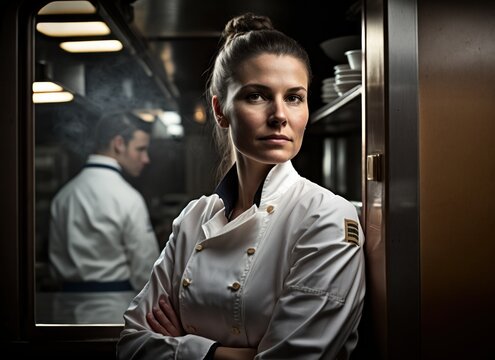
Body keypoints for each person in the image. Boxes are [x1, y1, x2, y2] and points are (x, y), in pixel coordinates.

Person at [116, 12, 365, 359]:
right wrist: (240, 354)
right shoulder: (194, 217)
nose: (280, 114)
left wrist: (183, 346)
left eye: (294, 97)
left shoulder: (326, 218)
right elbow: (130, 344)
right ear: (221, 111)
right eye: (257, 96)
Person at [49, 111, 160, 292]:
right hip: (114, 308)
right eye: (140, 149)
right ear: (118, 144)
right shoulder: (129, 198)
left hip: (65, 308)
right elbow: (145, 270)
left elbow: (54, 264)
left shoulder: (64, 196)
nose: (146, 159)